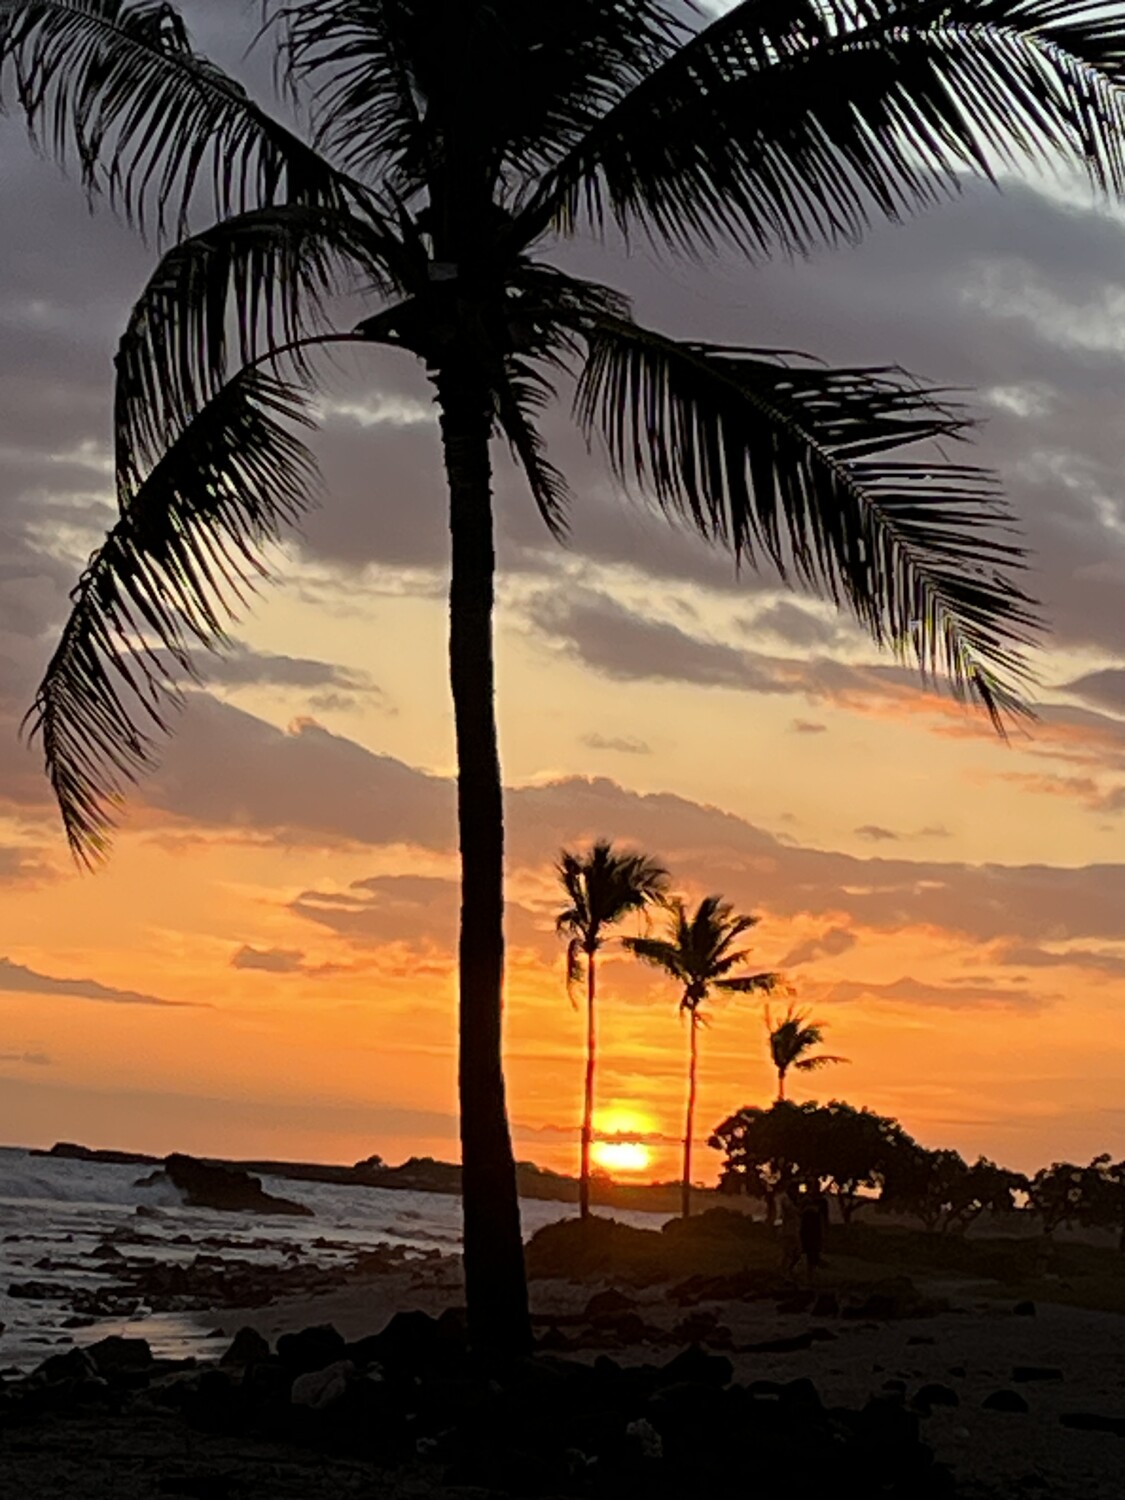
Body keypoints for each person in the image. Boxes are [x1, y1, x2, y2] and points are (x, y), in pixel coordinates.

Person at [799, 1187, 828, 1285]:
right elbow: (799, 1213)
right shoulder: (805, 1200)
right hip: (806, 1230)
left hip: (816, 1230)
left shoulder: (822, 1202)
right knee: (805, 1253)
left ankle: (810, 1276)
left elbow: (824, 1219)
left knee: (813, 1254)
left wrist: (824, 1232)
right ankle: (808, 1276)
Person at [778, 1183, 802, 1277]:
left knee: (797, 1252)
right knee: (787, 1253)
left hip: (795, 1230)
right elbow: (787, 1211)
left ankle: (788, 1270)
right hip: (787, 1231)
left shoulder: (795, 1200)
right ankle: (783, 1271)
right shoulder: (785, 1200)